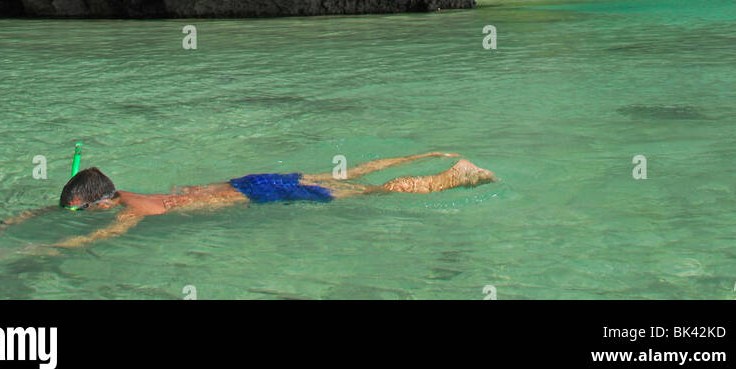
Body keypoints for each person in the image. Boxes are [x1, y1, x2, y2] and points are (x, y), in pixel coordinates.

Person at [53, 153, 497, 247]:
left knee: (368, 194)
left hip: (262, 192)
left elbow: (96, 238)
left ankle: (452, 176)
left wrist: (44, 248)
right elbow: (84, 208)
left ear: (102, 203)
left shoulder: (133, 209)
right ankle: (420, 155)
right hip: (245, 180)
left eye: (82, 211)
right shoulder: (120, 193)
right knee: (344, 174)